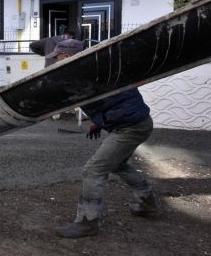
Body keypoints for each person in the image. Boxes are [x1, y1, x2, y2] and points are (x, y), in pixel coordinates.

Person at [45, 40, 163, 238]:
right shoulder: (98, 68)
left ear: (67, 57)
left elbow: (108, 99)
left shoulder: (87, 75)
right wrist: (98, 122)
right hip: (137, 123)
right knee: (117, 165)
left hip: (130, 128)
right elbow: (109, 102)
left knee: (93, 170)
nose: (55, 62)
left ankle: (88, 222)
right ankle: (146, 203)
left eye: (57, 57)